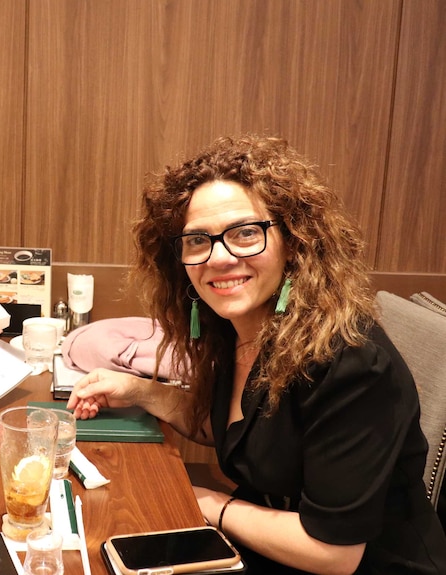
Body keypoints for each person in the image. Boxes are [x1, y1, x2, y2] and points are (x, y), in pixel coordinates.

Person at [67, 135, 446, 574]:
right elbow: (243, 432)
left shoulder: (349, 362)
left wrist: (208, 502)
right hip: (268, 548)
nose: (220, 257)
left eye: (246, 233)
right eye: (196, 241)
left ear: (294, 241)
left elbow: (334, 553)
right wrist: (141, 391)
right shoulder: (235, 328)